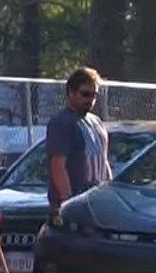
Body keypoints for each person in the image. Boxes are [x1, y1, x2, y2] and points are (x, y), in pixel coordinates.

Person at [46, 67, 111, 214]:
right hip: (74, 204)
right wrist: (68, 202)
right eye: (85, 94)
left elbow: (103, 161)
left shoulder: (97, 122)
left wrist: (109, 192)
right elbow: (57, 165)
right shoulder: (61, 122)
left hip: (96, 203)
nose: (91, 100)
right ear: (71, 92)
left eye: (94, 95)